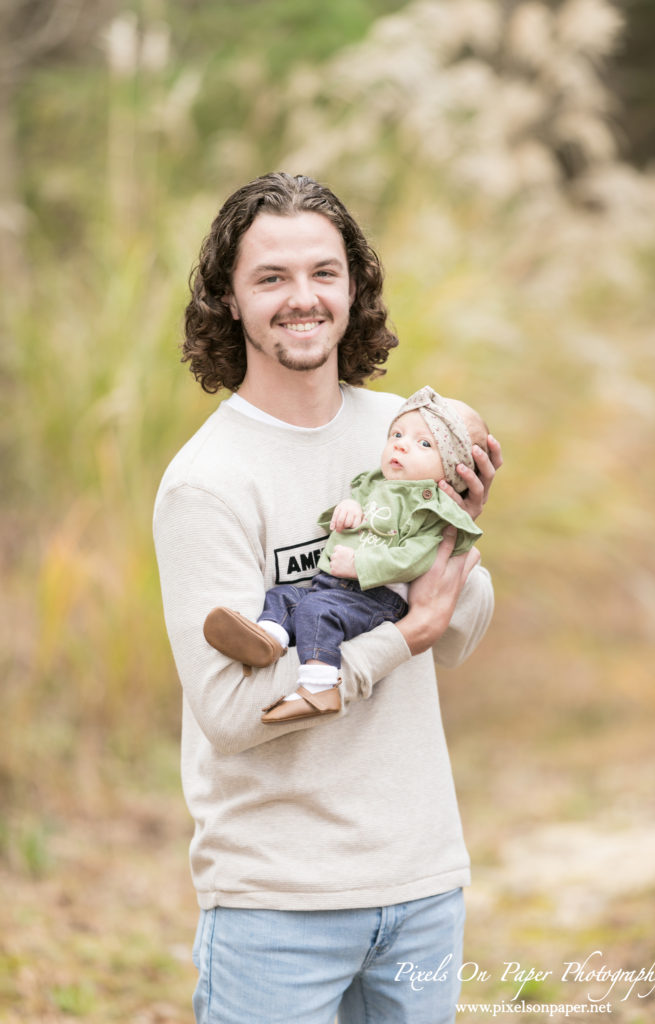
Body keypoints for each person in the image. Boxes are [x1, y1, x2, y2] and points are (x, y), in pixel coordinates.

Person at [153, 172, 502, 1024]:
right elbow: (233, 715)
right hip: (277, 905)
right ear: (229, 301)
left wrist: (453, 537)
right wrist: (399, 638)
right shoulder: (206, 483)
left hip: (421, 884)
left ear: (353, 287)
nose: (301, 299)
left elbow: (457, 634)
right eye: (270, 277)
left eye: (323, 273)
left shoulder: (405, 433)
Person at [202, 386, 490, 725]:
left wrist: (360, 566)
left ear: (454, 473)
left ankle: (319, 687)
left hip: (376, 597)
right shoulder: (375, 482)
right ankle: (270, 639)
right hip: (331, 585)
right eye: (397, 434)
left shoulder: (431, 508)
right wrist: (348, 508)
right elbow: (348, 512)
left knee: (318, 610)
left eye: (424, 444)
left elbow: (415, 557)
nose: (401, 444)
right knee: (285, 597)